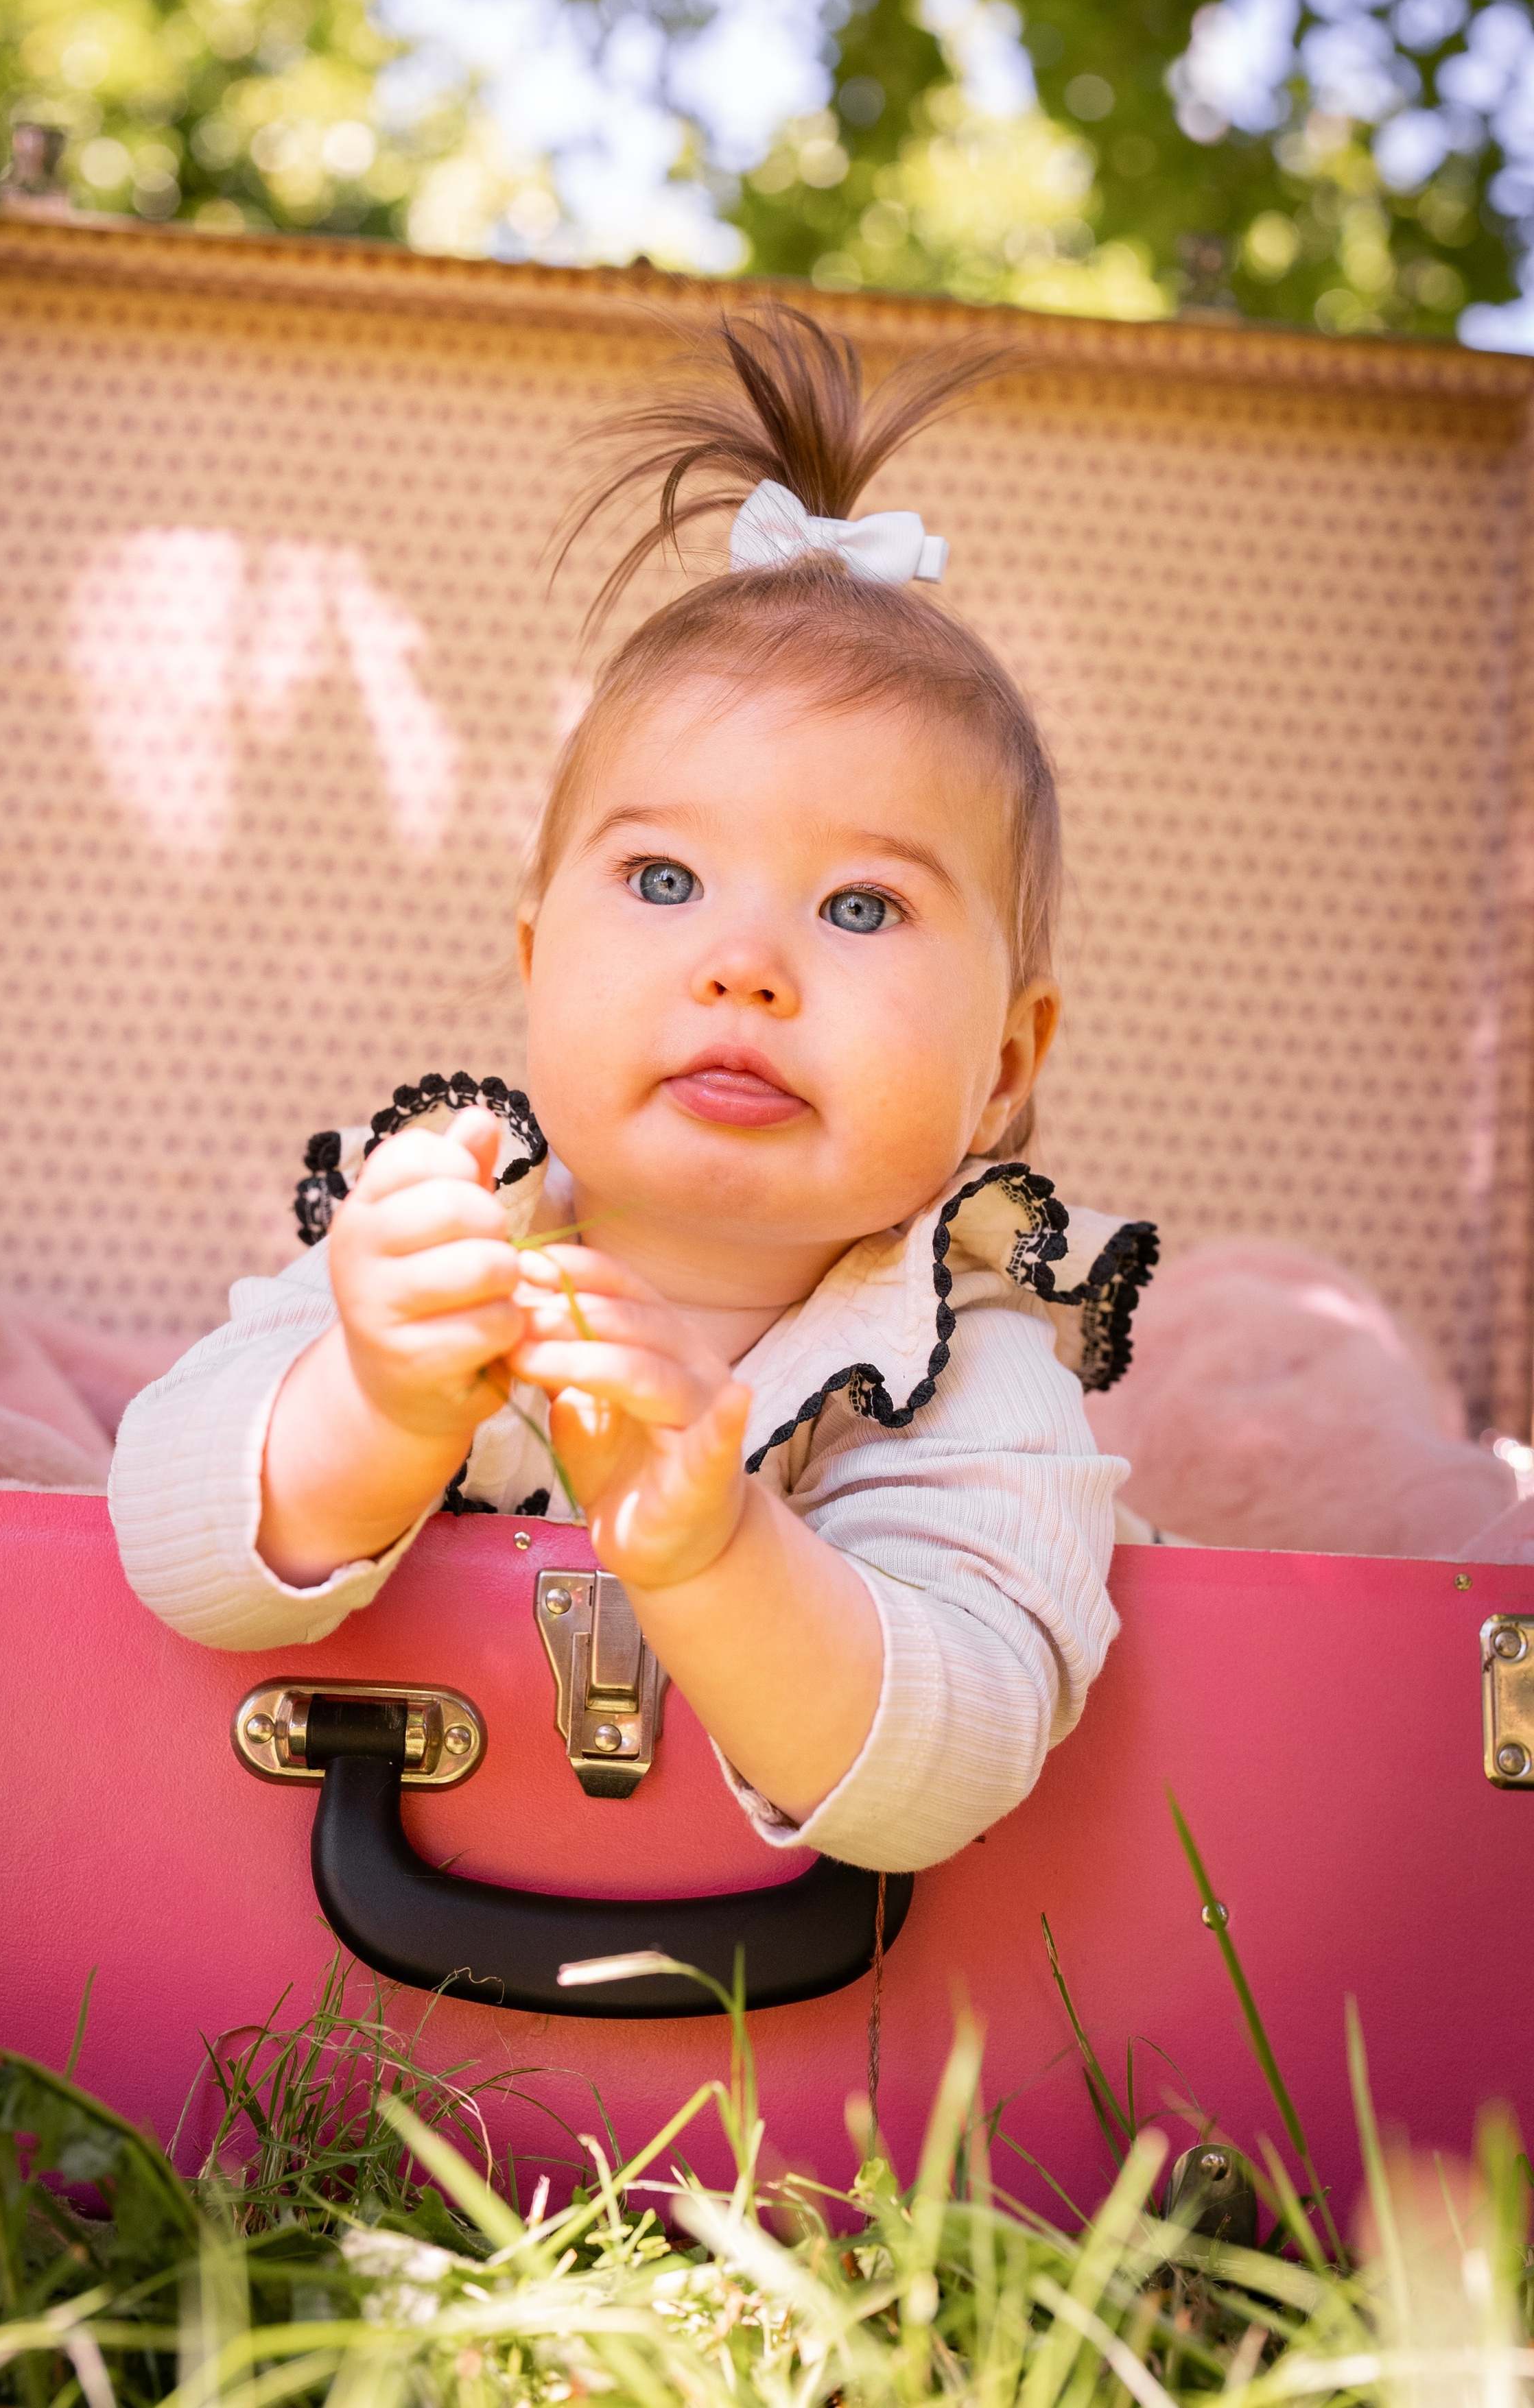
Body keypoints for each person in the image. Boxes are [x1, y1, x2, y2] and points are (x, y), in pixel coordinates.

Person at [110, 307, 1155, 1876]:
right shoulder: (452, 1231)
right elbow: (173, 1543)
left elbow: (949, 1765)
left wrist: (716, 1551)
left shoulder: (966, 1359)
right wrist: (376, 1406)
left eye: (858, 908)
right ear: (534, 966)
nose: (742, 966)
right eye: (662, 877)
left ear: (1002, 1069)